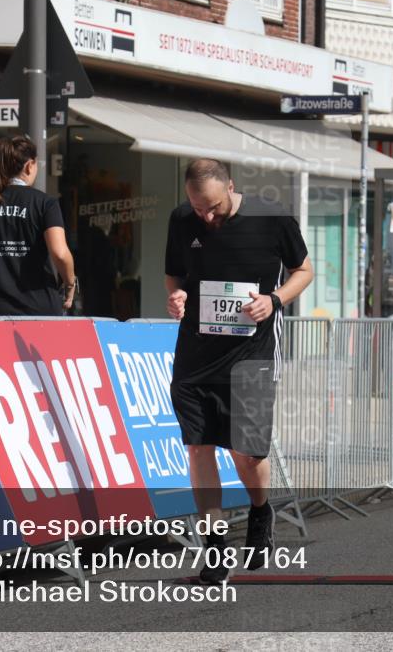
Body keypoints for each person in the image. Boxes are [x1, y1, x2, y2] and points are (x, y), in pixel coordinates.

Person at [165, 159, 312, 584]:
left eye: (213, 207)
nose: (206, 217)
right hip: (196, 353)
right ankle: (214, 550)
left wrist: (275, 300)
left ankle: (261, 511)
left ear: (231, 186)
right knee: (199, 448)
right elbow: (174, 275)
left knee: (248, 454)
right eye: (198, 209)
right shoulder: (181, 220)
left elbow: (304, 270)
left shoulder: (273, 217)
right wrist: (175, 299)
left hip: (252, 352)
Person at [0, 136, 76, 321]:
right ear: (29, 165)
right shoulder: (45, 203)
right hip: (40, 309)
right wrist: (70, 283)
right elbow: (59, 252)